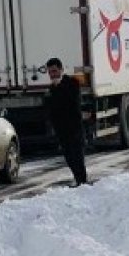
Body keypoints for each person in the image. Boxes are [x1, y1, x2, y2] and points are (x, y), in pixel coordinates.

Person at [44, 57, 88, 186]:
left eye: (55, 71)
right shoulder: (51, 88)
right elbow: (50, 108)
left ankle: (82, 181)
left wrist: (58, 88)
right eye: (50, 72)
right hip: (61, 129)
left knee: (77, 156)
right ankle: (77, 178)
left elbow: (72, 102)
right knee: (68, 156)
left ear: (61, 70)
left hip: (74, 127)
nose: (53, 75)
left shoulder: (71, 83)